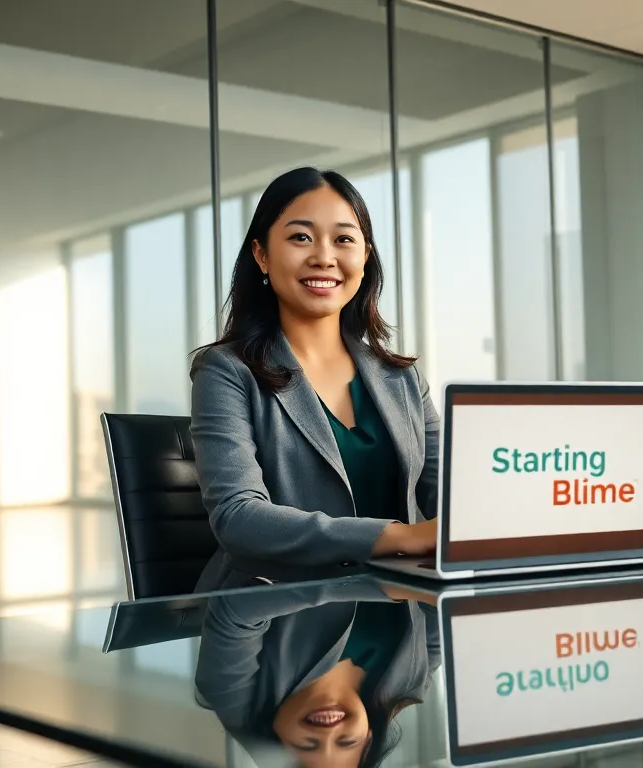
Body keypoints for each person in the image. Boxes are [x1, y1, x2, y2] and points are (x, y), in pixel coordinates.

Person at [190, 167, 438, 590]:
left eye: (344, 239)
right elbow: (238, 517)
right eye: (301, 237)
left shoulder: (403, 379)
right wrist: (402, 537)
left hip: (403, 613)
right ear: (261, 254)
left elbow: (454, 499)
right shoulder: (226, 371)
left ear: (365, 256)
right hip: (275, 618)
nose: (324, 256)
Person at [195, 579, 440, 767]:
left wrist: (379, 586)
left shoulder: (230, 694)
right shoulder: (408, 680)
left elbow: (238, 607)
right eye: (346, 741)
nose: (329, 733)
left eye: (307, 744)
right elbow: (447, 597)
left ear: (271, 741)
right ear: (368, 739)